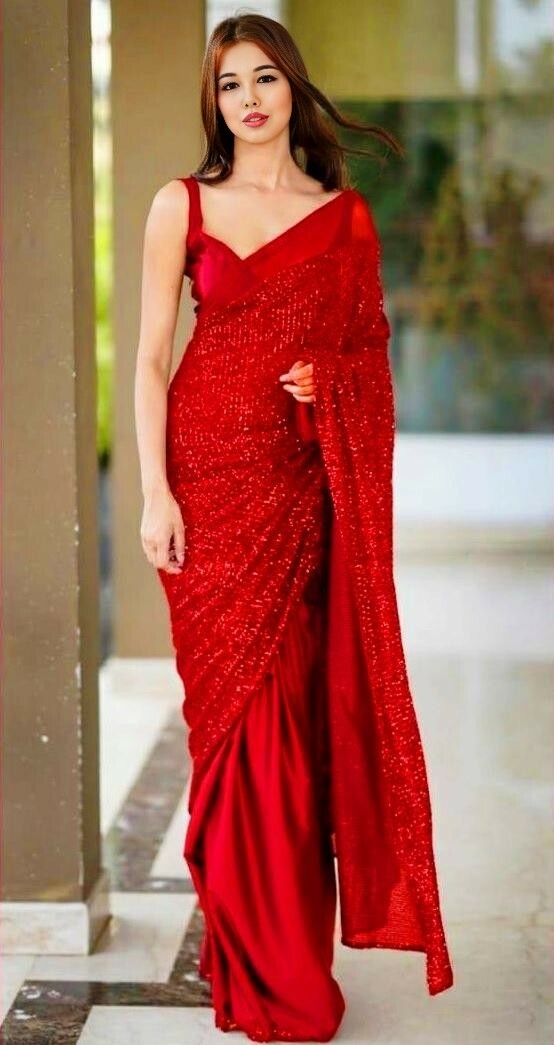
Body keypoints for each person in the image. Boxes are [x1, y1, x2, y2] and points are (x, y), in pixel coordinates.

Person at [134, 12, 454, 1043]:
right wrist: (154, 491)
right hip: (204, 487)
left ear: (292, 87)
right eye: (230, 85)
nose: (249, 99)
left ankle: (286, 967)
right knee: (226, 727)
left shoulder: (343, 217)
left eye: (264, 78)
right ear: (214, 103)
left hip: (298, 492)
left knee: (287, 728)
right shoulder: (180, 204)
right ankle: (247, 954)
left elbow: (370, 353)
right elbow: (149, 358)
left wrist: (334, 380)